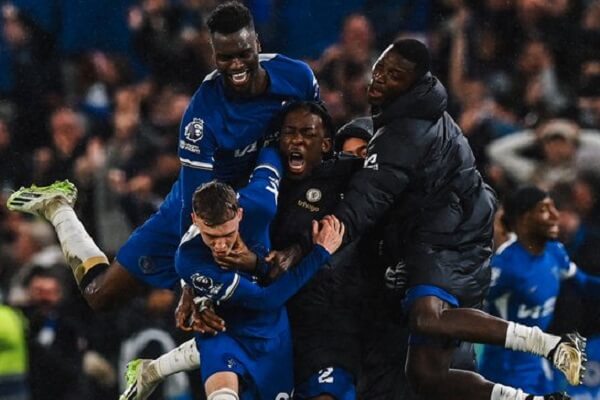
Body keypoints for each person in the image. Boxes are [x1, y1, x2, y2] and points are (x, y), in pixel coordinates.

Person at [6, 2, 319, 396]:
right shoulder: (201, 116)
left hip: (258, 204)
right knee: (101, 296)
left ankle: (156, 371)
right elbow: (196, 209)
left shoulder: (297, 77)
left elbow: (315, 135)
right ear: (211, 53)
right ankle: (60, 208)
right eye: (225, 58)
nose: (236, 65)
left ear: (257, 42)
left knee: (244, 313)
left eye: (243, 53)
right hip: (199, 212)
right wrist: (192, 281)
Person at [324, 39, 584, 400]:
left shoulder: (402, 140)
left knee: (428, 321)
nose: (380, 77)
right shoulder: (409, 130)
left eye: (365, 153)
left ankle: (551, 345)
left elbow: (368, 202)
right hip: (412, 291)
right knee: (427, 375)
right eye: (380, 67)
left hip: (443, 242)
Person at [174, 146, 345, 400]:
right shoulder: (190, 259)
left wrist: (273, 144)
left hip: (270, 334)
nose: (220, 246)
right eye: (211, 236)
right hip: (224, 330)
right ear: (195, 220)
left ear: (240, 215)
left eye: (227, 234)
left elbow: (271, 156)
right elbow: (266, 299)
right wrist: (320, 252)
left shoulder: (261, 204)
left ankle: (153, 370)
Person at [480, 186, 600, 394]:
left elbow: (584, 283)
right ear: (525, 219)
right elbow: (472, 307)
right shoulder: (506, 266)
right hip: (505, 373)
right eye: (545, 209)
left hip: (540, 366)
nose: (556, 216)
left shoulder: (555, 252)